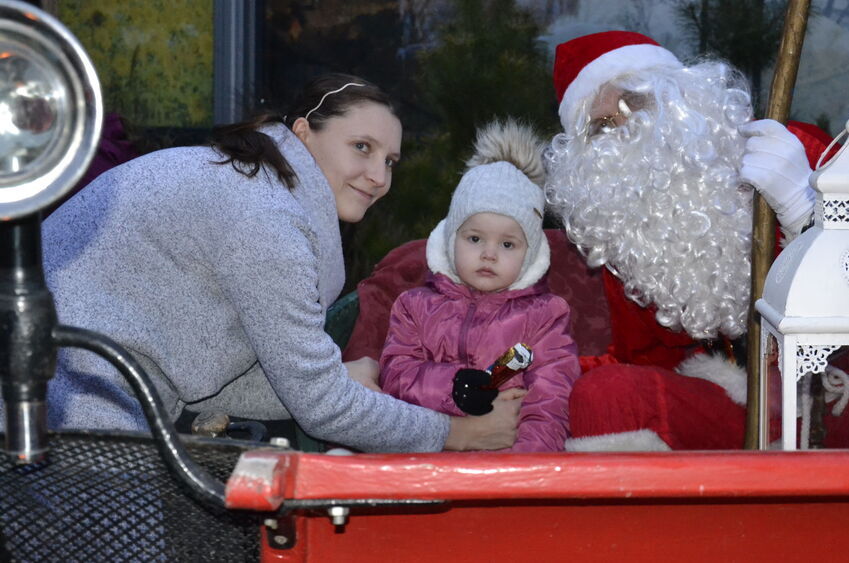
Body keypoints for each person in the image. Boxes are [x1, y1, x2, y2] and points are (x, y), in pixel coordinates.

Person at [21, 73, 522, 453]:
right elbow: (321, 408)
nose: (377, 176)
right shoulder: (267, 221)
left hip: (68, 379)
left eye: (389, 161)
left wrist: (341, 377)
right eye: (362, 148)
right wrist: (457, 433)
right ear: (303, 133)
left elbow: (217, 380)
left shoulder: (251, 186)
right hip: (63, 390)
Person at [544, 30, 849, 450]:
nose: (625, 129)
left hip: (838, 390)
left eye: (632, 101)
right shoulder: (626, 230)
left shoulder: (801, 151)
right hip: (729, 404)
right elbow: (642, 359)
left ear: (679, 97)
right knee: (607, 396)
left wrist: (805, 211)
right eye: (602, 126)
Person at [379, 121, 580, 452]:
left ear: (529, 255)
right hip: (429, 457)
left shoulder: (545, 316)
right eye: (474, 238)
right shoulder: (414, 307)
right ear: (450, 238)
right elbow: (396, 375)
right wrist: (452, 388)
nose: (488, 254)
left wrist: (526, 471)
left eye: (507, 245)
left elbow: (551, 400)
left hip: (507, 460)